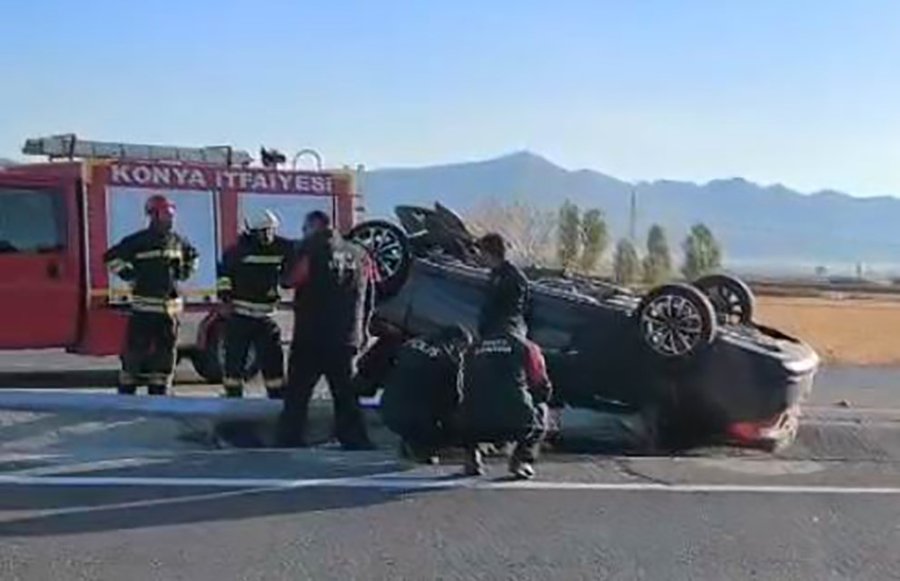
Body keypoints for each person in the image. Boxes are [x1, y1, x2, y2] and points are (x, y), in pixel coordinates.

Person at [277, 210, 377, 449]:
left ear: (313, 227)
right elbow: (372, 292)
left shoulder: (311, 250)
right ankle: (354, 439)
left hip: (311, 335)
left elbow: (290, 280)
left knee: (298, 393)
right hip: (346, 336)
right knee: (345, 394)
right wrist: (362, 330)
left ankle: (290, 437)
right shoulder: (360, 253)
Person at [104, 194, 198, 396]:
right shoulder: (138, 241)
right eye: (166, 214)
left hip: (169, 310)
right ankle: (127, 390)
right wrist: (129, 275)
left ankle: (159, 390)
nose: (170, 219)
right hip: (144, 309)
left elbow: (193, 255)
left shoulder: (177, 241)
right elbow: (111, 257)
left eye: (171, 214)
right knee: (135, 352)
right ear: (153, 216)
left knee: (165, 353)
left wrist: (185, 271)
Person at [217, 209, 294, 399]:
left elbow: (294, 265)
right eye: (263, 231)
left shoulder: (283, 248)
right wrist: (225, 300)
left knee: (273, 364)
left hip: (266, 318)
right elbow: (224, 278)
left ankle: (276, 400)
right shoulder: (236, 253)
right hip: (240, 316)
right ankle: (233, 399)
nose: (268, 235)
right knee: (234, 364)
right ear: (251, 232)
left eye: (271, 230)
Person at [460, 331, 552, 479]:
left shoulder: (472, 348)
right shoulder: (527, 347)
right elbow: (541, 384)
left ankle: (472, 455)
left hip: (474, 424)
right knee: (542, 409)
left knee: (468, 406)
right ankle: (521, 460)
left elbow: (461, 381)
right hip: (516, 422)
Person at [379, 325, 473, 464]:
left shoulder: (407, 346)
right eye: (463, 348)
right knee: (454, 426)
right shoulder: (448, 360)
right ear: (455, 342)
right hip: (416, 417)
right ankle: (423, 448)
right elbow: (454, 400)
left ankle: (411, 440)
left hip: (387, 411)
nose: (463, 352)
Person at [477, 233, 530, 338]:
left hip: (507, 332)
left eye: (483, 253)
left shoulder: (512, 277)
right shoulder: (496, 274)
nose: (481, 257)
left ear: (490, 254)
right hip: (495, 330)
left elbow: (514, 309)